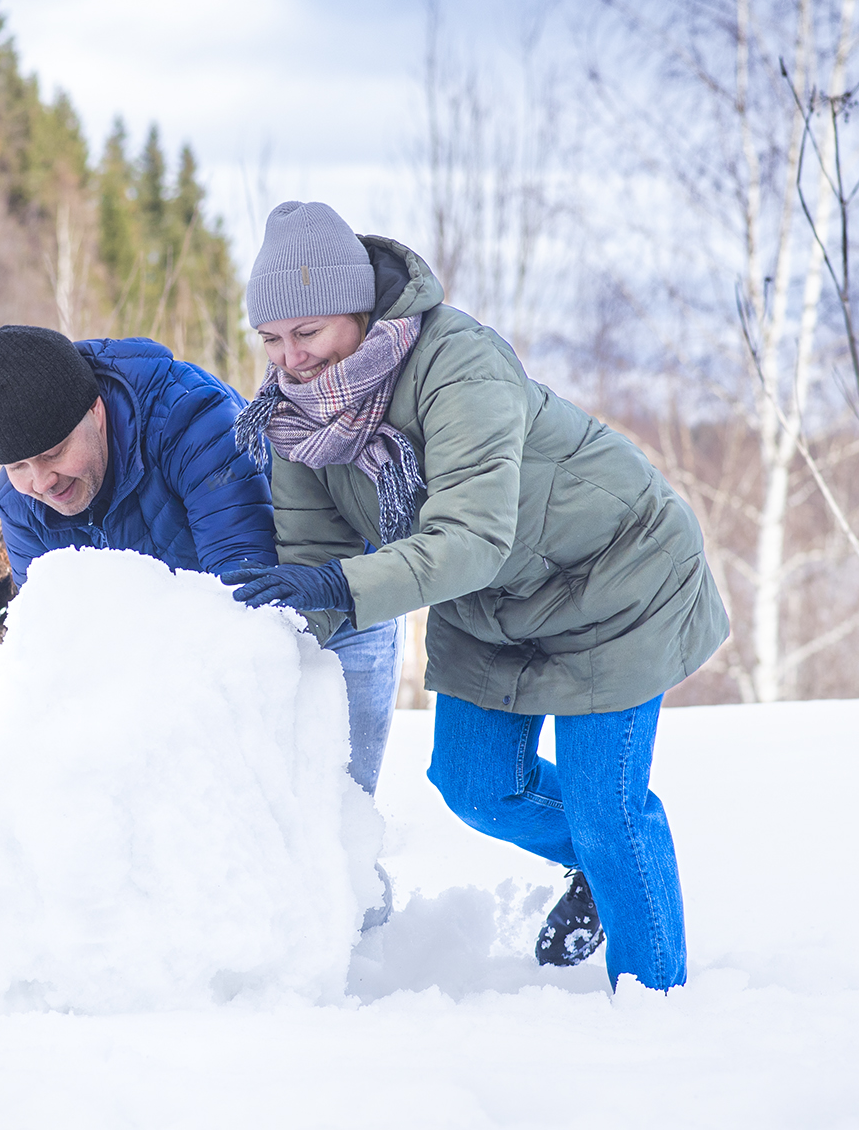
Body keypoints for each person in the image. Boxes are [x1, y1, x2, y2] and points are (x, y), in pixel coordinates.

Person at [221, 200, 728, 992]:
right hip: (495, 602)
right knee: (476, 785)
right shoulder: (297, 420)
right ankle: (602, 864)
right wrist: (264, 640)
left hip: (614, 575)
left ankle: (654, 1003)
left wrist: (334, 585)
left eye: (308, 332)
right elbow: (318, 561)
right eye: (273, 339)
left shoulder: (459, 364)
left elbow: (470, 536)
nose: (291, 359)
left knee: (607, 810)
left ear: (358, 309)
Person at [0, 324, 404, 797]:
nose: (41, 482)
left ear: (95, 412)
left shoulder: (190, 419)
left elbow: (245, 596)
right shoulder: (19, 500)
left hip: (330, 604)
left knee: (329, 818)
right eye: (18, 466)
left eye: (53, 454)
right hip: (190, 650)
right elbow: (56, 643)